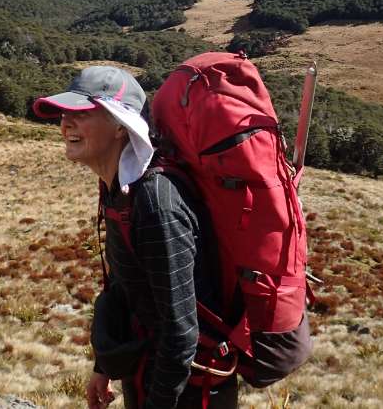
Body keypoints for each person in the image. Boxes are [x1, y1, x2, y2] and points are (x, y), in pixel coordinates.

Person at [33, 66, 238, 409]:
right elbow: (128, 290)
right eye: (64, 113)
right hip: (152, 374)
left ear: (119, 124)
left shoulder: (156, 206)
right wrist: (106, 365)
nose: (65, 123)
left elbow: (180, 335)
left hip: (189, 390)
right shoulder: (119, 191)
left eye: (81, 112)